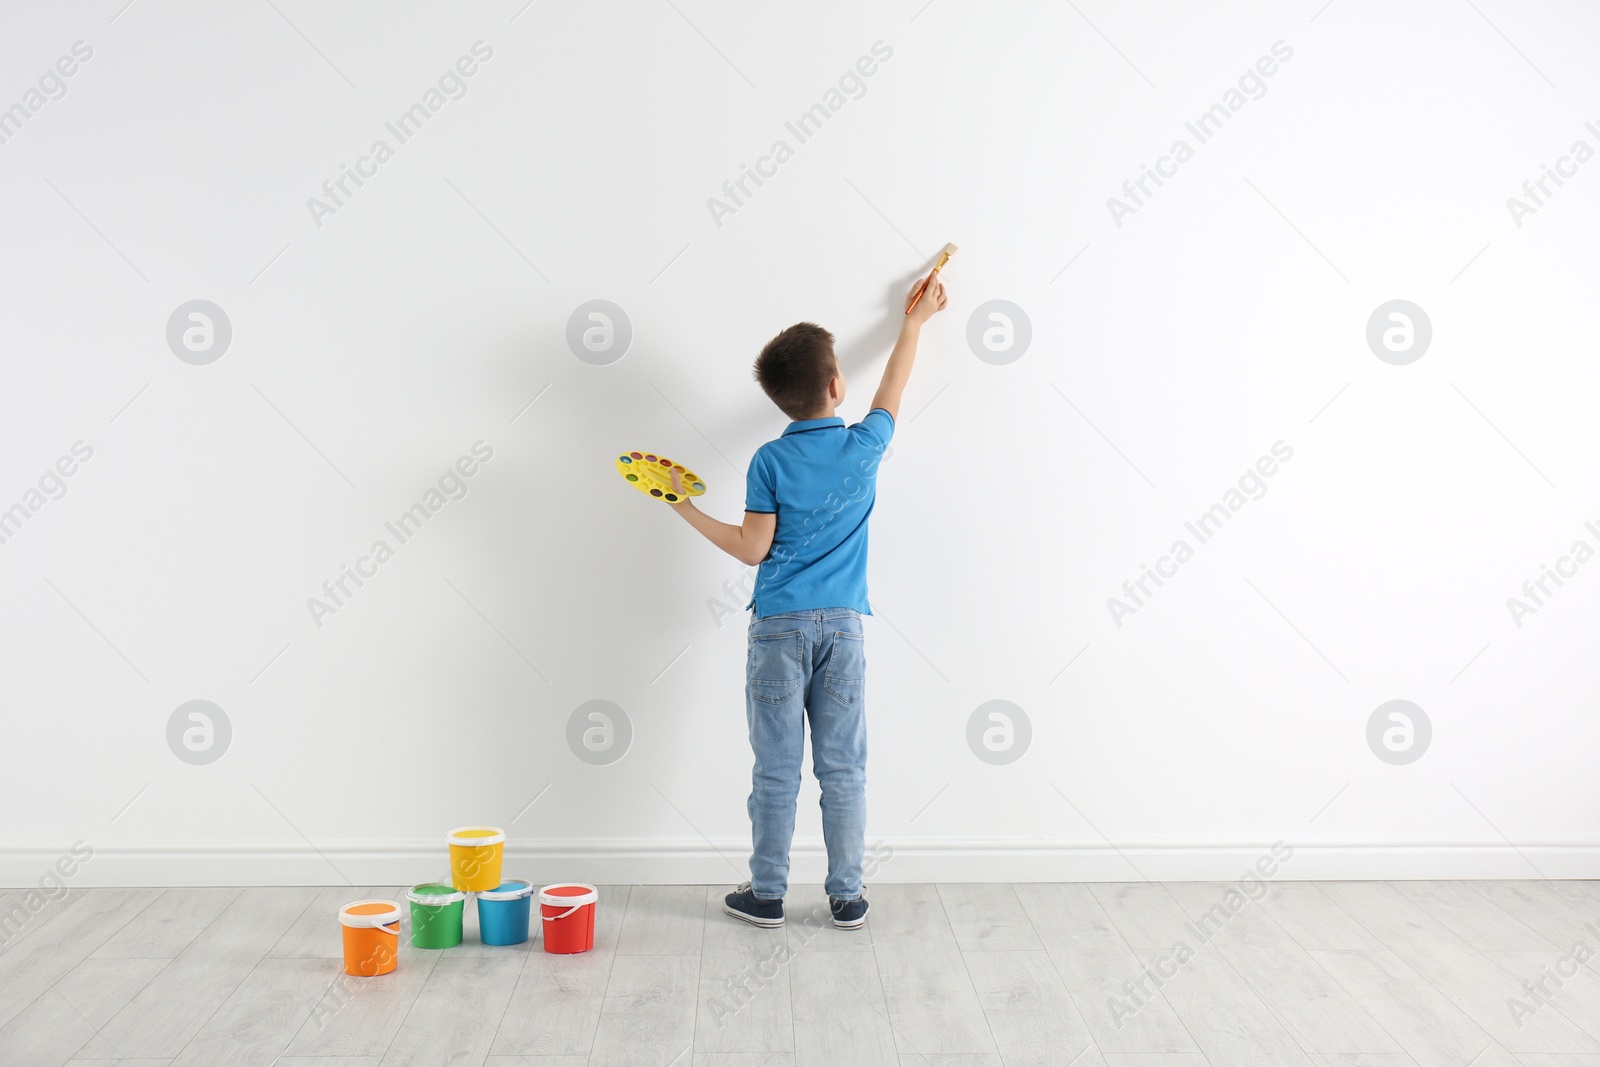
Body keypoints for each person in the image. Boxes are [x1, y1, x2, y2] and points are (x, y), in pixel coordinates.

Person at [662, 274, 949, 928]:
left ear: (782, 400)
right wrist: (914, 322)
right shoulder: (862, 446)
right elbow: (894, 388)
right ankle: (847, 895)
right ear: (836, 385)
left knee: (777, 769)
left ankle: (767, 894)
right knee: (843, 767)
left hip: (777, 632)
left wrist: (683, 504)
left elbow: (750, 549)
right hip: (844, 631)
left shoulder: (768, 460)